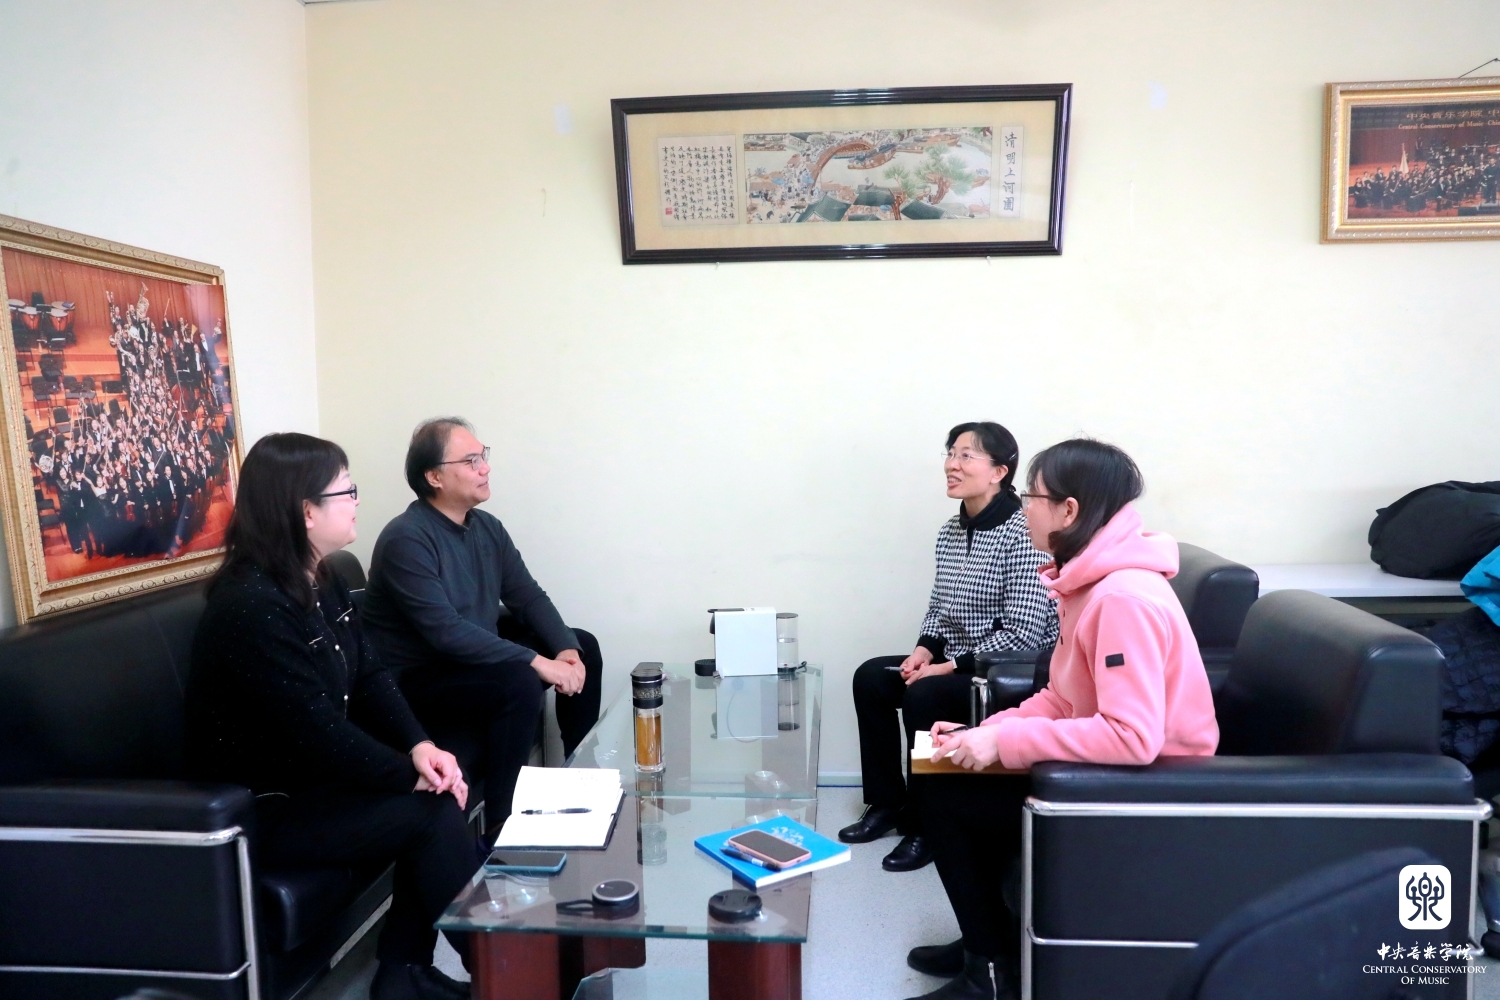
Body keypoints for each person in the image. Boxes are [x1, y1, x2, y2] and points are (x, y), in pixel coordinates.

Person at [902, 439, 1219, 1000]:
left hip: (1149, 786)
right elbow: (1061, 697)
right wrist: (986, 733)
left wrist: (1008, 745)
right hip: (1106, 764)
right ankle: (987, 938)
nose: (1023, 509)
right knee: (943, 770)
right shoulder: (1087, 581)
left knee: (947, 797)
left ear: (1068, 510)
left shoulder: (1122, 599)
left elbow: (1133, 737)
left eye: (1031, 497)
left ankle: (989, 971)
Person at [184, 433, 476, 1000]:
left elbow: (370, 675)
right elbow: (316, 733)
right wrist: (409, 774)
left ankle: (407, 972)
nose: (357, 501)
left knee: (436, 796)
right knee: (431, 811)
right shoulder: (251, 606)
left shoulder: (322, 575)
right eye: (347, 491)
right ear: (305, 511)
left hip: (313, 783)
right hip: (263, 808)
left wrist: (420, 746)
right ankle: (499, 965)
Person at [362, 417, 604, 841]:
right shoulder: (406, 539)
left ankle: (580, 779)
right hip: (420, 679)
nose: (485, 468)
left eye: (483, 456)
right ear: (434, 476)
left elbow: (527, 596)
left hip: (468, 662)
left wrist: (564, 650)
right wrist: (536, 661)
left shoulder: (487, 527)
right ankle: (502, 822)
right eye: (471, 460)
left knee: (583, 644)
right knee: (519, 679)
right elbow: (446, 632)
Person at [840, 422, 1057, 872]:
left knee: (925, 695)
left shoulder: (1024, 532)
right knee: (871, 678)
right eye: (950, 453)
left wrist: (945, 668)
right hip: (957, 660)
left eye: (965, 456)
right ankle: (887, 804)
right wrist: (923, 651)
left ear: (999, 471)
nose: (951, 465)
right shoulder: (950, 530)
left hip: (1006, 668)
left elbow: (1025, 634)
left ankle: (927, 825)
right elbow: (939, 607)